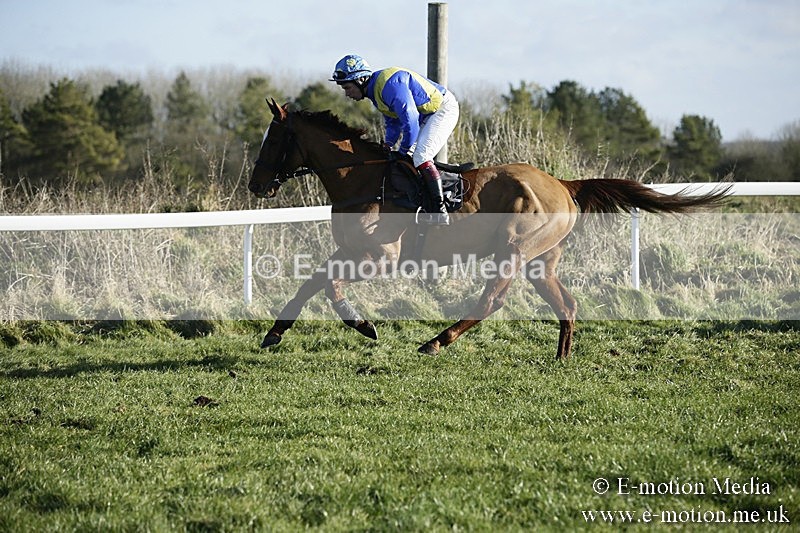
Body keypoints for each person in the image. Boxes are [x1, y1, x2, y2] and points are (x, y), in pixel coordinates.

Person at [330, 54, 459, 225]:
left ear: (360, 80)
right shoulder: (375, 92)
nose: (347, 94)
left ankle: (440, 209)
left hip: (442, 110)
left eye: (347, 87)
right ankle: (421, 203)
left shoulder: (388, 86)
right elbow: (393, 123)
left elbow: (411, 121)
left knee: (420, 156)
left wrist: (403, 150)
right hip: (425, 116)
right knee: (407, 160)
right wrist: (388, 144)